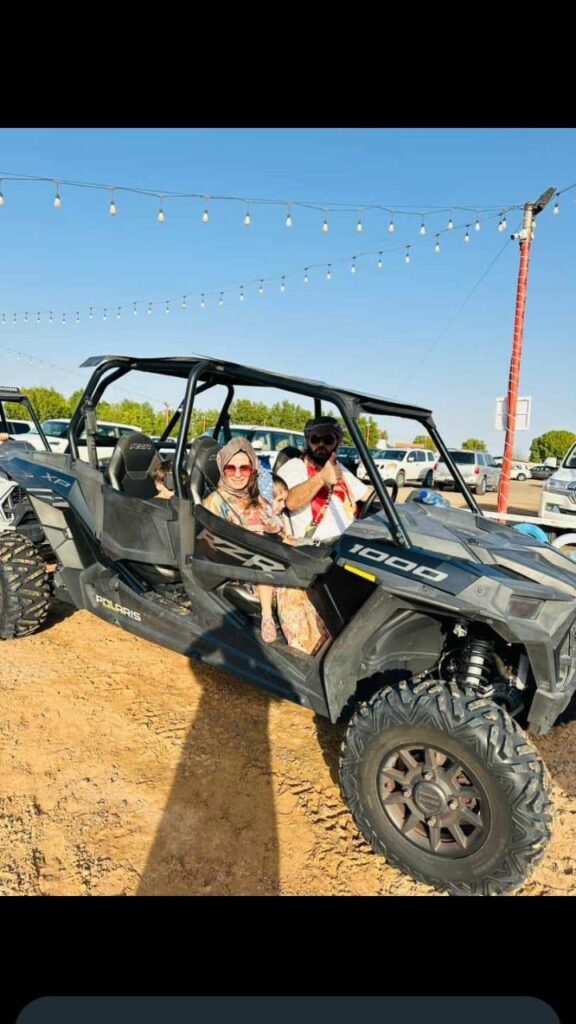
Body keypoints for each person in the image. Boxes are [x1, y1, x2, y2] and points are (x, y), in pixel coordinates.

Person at [203, 437, 327, 653]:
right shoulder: (215, 502)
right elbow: (210, 543)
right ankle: (302, 650)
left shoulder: (258, 497)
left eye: (245, 467)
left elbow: (279, 532)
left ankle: (323, 641)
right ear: (223, 470)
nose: (239, 474)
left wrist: (311, 547)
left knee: (317, 573)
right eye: (231, 468)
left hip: (271, 555)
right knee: (292, 584)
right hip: (243, 566)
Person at [278, 416, 374, 540]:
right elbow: (291, 502)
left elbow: (368, 495)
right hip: (317, 547)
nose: (321, 444)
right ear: (308, 442)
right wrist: (322, 478)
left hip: (350, 539)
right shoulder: (295, 465)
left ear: (337, 443)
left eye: (328, 440)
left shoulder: (338, 468)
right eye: (315, 439)